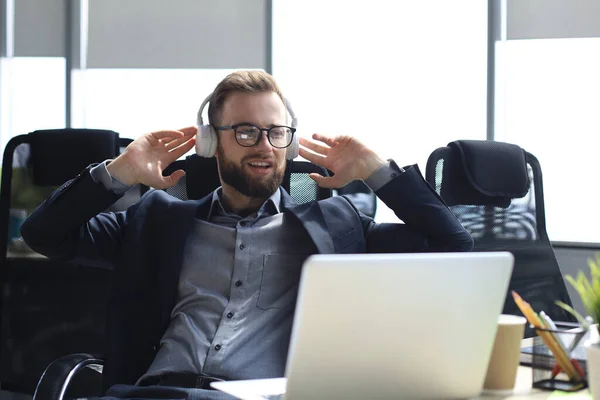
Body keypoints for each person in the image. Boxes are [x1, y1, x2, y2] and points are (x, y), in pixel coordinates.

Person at [21, 70, 473, 400]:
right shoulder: (156, 220)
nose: (264, 145)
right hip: (151, 395)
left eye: (277, 133)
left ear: (290, 144)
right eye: (245, 131)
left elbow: (452, 244)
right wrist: (118, 172)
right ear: (211, 142)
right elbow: (44, 234)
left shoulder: (337, 225)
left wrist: (379, 173)